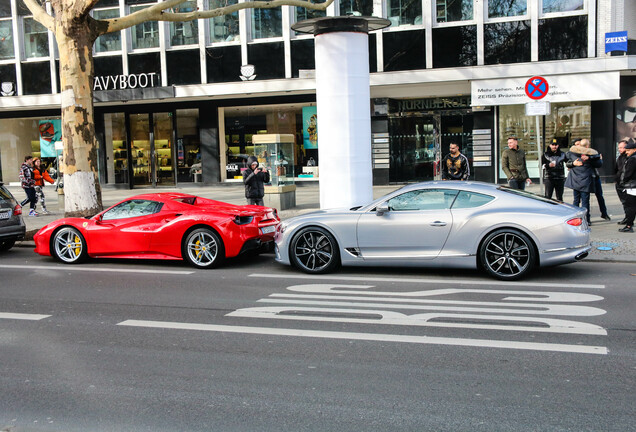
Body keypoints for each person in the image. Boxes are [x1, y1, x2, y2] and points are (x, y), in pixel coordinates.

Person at [565, 140, 602, 225]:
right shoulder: (591, 154)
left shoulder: (571, 153)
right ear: (587, 146)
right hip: (585, 181)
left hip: (575, 180)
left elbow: (567, 162)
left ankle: (575, 218)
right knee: (585, 201)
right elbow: (599, 163)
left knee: (576, 200)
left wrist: (572, 163)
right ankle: (586, 219)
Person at [580, 138, 610, 220]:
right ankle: (588, 218)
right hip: (586, 178)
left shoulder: (592, 153)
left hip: (593, 177)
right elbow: (598, 163)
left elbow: (598, 163)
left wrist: (592, 159)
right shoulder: (578, 154)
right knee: (586, 199)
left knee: (598, 196)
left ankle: (603, 213)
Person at [618, 139, 636, 233]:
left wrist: (623, 181)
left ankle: (629, 225)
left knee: (630, 207)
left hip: (631, 186)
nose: (627, 152)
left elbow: (627, 173)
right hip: (632, 186)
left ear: (634, 150)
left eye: (629, 150)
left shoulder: (632, 159)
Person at [615, 139, 630, 225]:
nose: (620, 149)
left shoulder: (629, 158)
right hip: (619, 183)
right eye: (619, 148)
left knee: (628, 203)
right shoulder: (620, 157)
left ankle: (629, 219)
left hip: (626, 184)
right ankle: (627, 217)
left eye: (622, 147)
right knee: (624, 202)